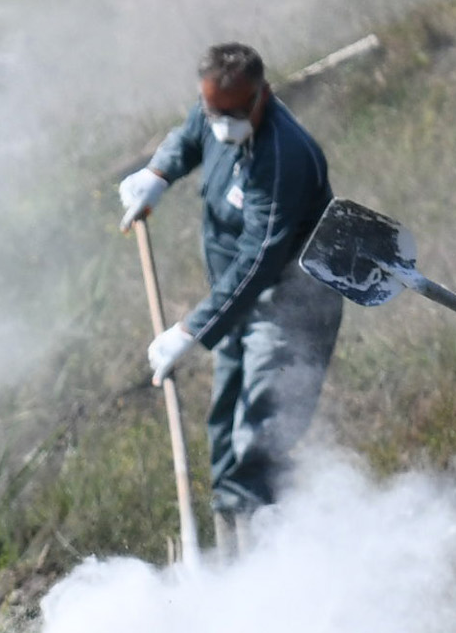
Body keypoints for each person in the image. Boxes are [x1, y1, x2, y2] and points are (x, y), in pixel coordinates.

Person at [117, 43, 337, 538]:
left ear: (261, 94)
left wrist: (192, 328)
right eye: (212, 110)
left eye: (232, 114)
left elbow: (260, 260)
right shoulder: (215, 113)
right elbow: (190, 137)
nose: (220, 124)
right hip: (234, 298)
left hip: (288, 302)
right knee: (226, 412)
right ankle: (228, 530)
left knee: (262, 420)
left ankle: (269, 538)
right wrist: (159, 173)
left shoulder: (283, 159)